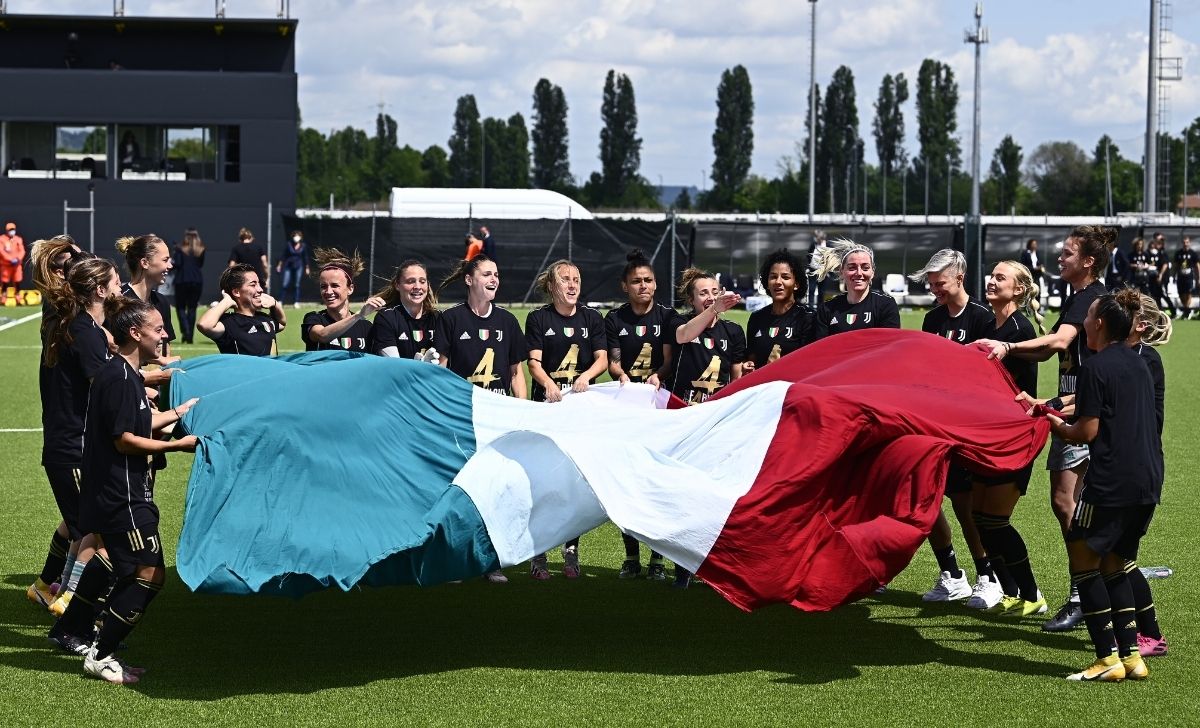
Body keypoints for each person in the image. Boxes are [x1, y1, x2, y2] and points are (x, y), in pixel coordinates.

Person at [978, 224, 1113, 633]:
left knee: (1067, 503)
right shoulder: (1079, 297)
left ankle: (1085, 595)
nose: (1060, 257)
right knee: (1071, 504)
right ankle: (1095, 590)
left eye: (1068, 252)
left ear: (1088, 261)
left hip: (1084, 411)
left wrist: (1009, 346)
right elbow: (1049, 352)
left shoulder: (1089, 297)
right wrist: (1046, 402)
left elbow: (1056, 344)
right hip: (1072, 406)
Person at [64, 297, 199, 683]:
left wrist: (178, 412)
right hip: (121, 495)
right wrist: (177, 445)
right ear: (136, 333)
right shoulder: (121, 378)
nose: (165, 334)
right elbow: (124, 440)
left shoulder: (125, 373)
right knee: (150, 574)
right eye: (158, 329)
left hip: (122, 491)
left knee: (121, 564)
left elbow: (138, 421)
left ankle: (78, 631)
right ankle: (100, 654)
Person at [1034, 292, 1159, 681]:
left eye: (1087, 316)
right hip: (1147, 481)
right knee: (1114, 563)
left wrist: (1051, 421)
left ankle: (1107, 658)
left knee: (1083, 561)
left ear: (1099, 324)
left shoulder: (1095, 367)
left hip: (1110, 483)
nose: (1082, 322)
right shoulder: (1140, 362)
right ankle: (1131, 658)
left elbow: (1084, 432)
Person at [908, 249, 1000, 607]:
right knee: (927, 498)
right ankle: (951, 574)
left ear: (960, 278)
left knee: (965, 504)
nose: (935, 289)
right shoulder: (932, 320)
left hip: (967, 427)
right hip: (934, 423)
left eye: (940, 283)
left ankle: (987, 575)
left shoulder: (983, 318)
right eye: (931, 284)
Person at [435, 255, 527, 584]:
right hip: (462, 419)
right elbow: (441, 370)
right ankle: (455, 560)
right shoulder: (450, 319)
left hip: (498, 419)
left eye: (496, 274)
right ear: (469, 279)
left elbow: (516, 373)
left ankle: (491, 561)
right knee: (459, 490)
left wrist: (521, 412)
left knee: (496, 491)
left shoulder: (507, 321)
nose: (494, 279)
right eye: (487, 273)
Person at [26, 241, 107, 617]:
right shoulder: (74, 323)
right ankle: (72, 603)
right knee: (94, 529)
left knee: (77, 524)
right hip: (72, 441)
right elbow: (105, 385)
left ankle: (49, 587)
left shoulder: (76, 322)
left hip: (74, 439)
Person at [523, 260, 608, 580]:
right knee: (543, 483)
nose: (572, 285)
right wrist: (548, 384)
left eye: (576, 279)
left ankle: (571, 549)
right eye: (565, 280)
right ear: (551, 286)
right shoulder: (538, 318)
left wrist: (585, 377)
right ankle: (539, 553)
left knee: (575, 483)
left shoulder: (592, 318)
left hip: (579, 414)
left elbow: (602, 359)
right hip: (547, 411)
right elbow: (533, 363)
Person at [974, 260, 1046, 616]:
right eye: (991, 275)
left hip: (1016, 435)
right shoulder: (991, 325)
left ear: (1018, 289)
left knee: (995, 520)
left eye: (1000, 277)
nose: (991, 281)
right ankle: (1011, 592)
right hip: (989, 434)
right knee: (979, 517)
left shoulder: (1020, 329)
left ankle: (1032, 596)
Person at [667, 268, 745, 588]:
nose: (711, 297)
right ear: (691, 299)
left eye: (715, 291)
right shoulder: (678, 321)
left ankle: (713, 564)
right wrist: (713, 310)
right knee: (685, 494)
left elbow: (736, 378)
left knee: (717, 495)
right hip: (685, 418)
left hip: (717, 420)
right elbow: (684, 336)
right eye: (703, 293)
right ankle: (682, 564)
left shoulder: (733, 331)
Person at [604, 250, 675, 580]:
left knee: (659, 486)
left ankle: (658, 560)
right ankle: (631, 557)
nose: (643, 286)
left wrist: (658, 376)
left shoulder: (667, 316)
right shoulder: (614, 319)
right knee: (628, 485)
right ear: (625, 286)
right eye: (636, 281)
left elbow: (669, 360)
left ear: (656, 284)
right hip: (628, 412)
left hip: (659, 412)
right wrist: (622, 377)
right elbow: (613, 361)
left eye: (648, 280)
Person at [810, 239, 901, 338]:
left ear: (872, 272)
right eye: (852, 268)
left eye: (865, 268)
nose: (859, 273)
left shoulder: (885, 305)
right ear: (841, 272)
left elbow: (890, 344)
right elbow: (821, 346)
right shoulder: (827, 309)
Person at [744, 248, 816, 372]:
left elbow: (809, 364)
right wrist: (747, 365)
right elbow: (751, 359)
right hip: (762, 383)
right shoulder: (756, 318)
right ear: (767, 283)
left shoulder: (808, 317)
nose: (778, 282)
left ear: (796, 284)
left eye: (785, 277)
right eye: (773, 277)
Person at [300, 248, 382, 353]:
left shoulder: (365, 326)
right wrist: (358, 316)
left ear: (350, 289)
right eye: (323, 286)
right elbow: (322, 335)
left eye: (335, 285)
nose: (328, 291)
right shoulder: (314, 319)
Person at [197, 263, 286, 356]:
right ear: (236, 292)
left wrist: (275, 304)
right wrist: (226, 302)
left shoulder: (264, 318)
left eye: (259, 284)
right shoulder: (230, 322)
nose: (260, 289)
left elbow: (281, 323)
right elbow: (204, 325)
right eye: (253, 285)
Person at [115, 234, 176, 359]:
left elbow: (165, 349)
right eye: (165, 260)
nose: (170, 266)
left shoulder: (162, 302)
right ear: (145, 263)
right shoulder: (120, 301)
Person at [370, 260, 440, 360]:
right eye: (410, 281)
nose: (417, 287)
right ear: (397, 285)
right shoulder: (386, 318)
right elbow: (393, 363)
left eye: (422, 281)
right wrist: (418, 366)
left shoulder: (437, 317)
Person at [172, 228, 206, 345]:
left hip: (182, 280)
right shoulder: (201, 249)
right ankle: (190, 335)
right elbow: (200, 265)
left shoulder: (180, 249)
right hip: (197, 280)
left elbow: (177, 264)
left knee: (181, 308)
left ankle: (185, 332)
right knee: (192, 308)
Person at [276, 230, 311, 308]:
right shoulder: (289, 244)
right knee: (285, 283)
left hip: (299, 266)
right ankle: (280, 301)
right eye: (295, 236)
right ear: (292, 237)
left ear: (301, 237)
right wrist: (279, 265)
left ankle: (296, 302)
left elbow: (305, 257)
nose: (296, 238)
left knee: (297, 284)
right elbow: (283, 256)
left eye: (298, 236)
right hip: (288, 266)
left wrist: (307, 267)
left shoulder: (303, 246)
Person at [227, 227, 269, 293]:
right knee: (260, 297)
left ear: (240, 238)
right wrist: (267, 278)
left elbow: (231, 265)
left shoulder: (236, 248)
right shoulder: (259, 247)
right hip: (258, 279)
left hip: (243, 280)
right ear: (251, 237)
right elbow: (265, 264)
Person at [1147, 233, 1175, 318]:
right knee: (1157, 296)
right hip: (1156, 278)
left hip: (1163, 278)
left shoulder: (1162, 252)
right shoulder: (1155, 252)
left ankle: (1173, 312)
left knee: (1165, 295)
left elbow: (1165, 264)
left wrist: (1160, 275)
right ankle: (1160, 312)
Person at [1, 221, 25, 305]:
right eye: (10, 230)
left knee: (17, 281)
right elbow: (1, 251)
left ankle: (18, 297)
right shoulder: (2, 239)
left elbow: (22, 251)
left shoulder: (18, 239)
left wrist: (18, 259)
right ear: (7, 230)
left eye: (13, 229)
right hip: (6, 265)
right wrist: (10, 259)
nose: (12, 231)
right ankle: (3, 297)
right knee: (5, 281)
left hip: (16, 265)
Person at [1172, 235, 1196, 320]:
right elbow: (1175, 265)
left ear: (1189, 243)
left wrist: (1198, 277)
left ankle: (1186, 311)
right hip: (1180, 276)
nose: (1185, 244)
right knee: (1181, 294)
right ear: (1182, 243)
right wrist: (1173, 275)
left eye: (1187, 242)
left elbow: (1197, 265)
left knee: (1188, 293)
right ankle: (1187, 309)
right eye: (1184, 242)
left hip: (1189, 276)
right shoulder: (1178, 253)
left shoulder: (1192, 253)